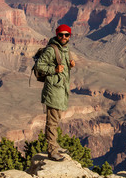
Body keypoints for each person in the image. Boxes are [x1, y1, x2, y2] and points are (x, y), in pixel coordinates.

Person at [36, 24, 75, 161]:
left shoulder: (65, 48)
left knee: (56, 120)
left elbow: (61, 66)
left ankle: (55, 145)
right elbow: (39, 66)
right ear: (57, 35)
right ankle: (52, 151)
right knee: (52, 122)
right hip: (53, 91)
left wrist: (70, 64)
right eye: (61, 35)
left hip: (61, 90)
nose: (63, 37)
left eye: (66, 35)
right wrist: (54, 70)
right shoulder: (52, 50)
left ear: (70, 36)